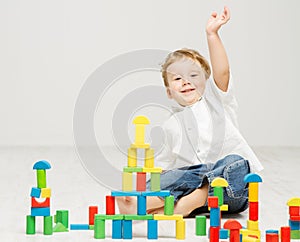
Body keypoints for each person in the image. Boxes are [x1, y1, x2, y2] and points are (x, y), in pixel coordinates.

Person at [117, 6, 263, 217]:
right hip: (191, 185)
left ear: (206, 81)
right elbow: (164, 168)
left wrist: (212, 34)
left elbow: (223, 71)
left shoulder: (217, 102)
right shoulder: (170, 124)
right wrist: (153, 184)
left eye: (193, 75)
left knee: (237, 163)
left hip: (230, 193)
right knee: (179, 175)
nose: (186, 81)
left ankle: (188, 203)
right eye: (177, 78)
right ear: (169, 92)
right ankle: (146, 201)